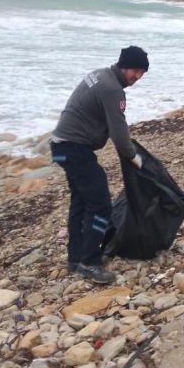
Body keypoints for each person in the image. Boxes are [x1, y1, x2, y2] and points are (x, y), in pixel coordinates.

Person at [50, 46, 149, 283]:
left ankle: (75, 259)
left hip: (61, 146)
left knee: (81, 202)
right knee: (101, 205)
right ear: (124, 66)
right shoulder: (112, 89)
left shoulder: (100, 75)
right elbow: (118, 131)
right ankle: (90, 263)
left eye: (142, 72)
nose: (138, 77)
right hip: (75, 148)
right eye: (136, 71)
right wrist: (132, 156)